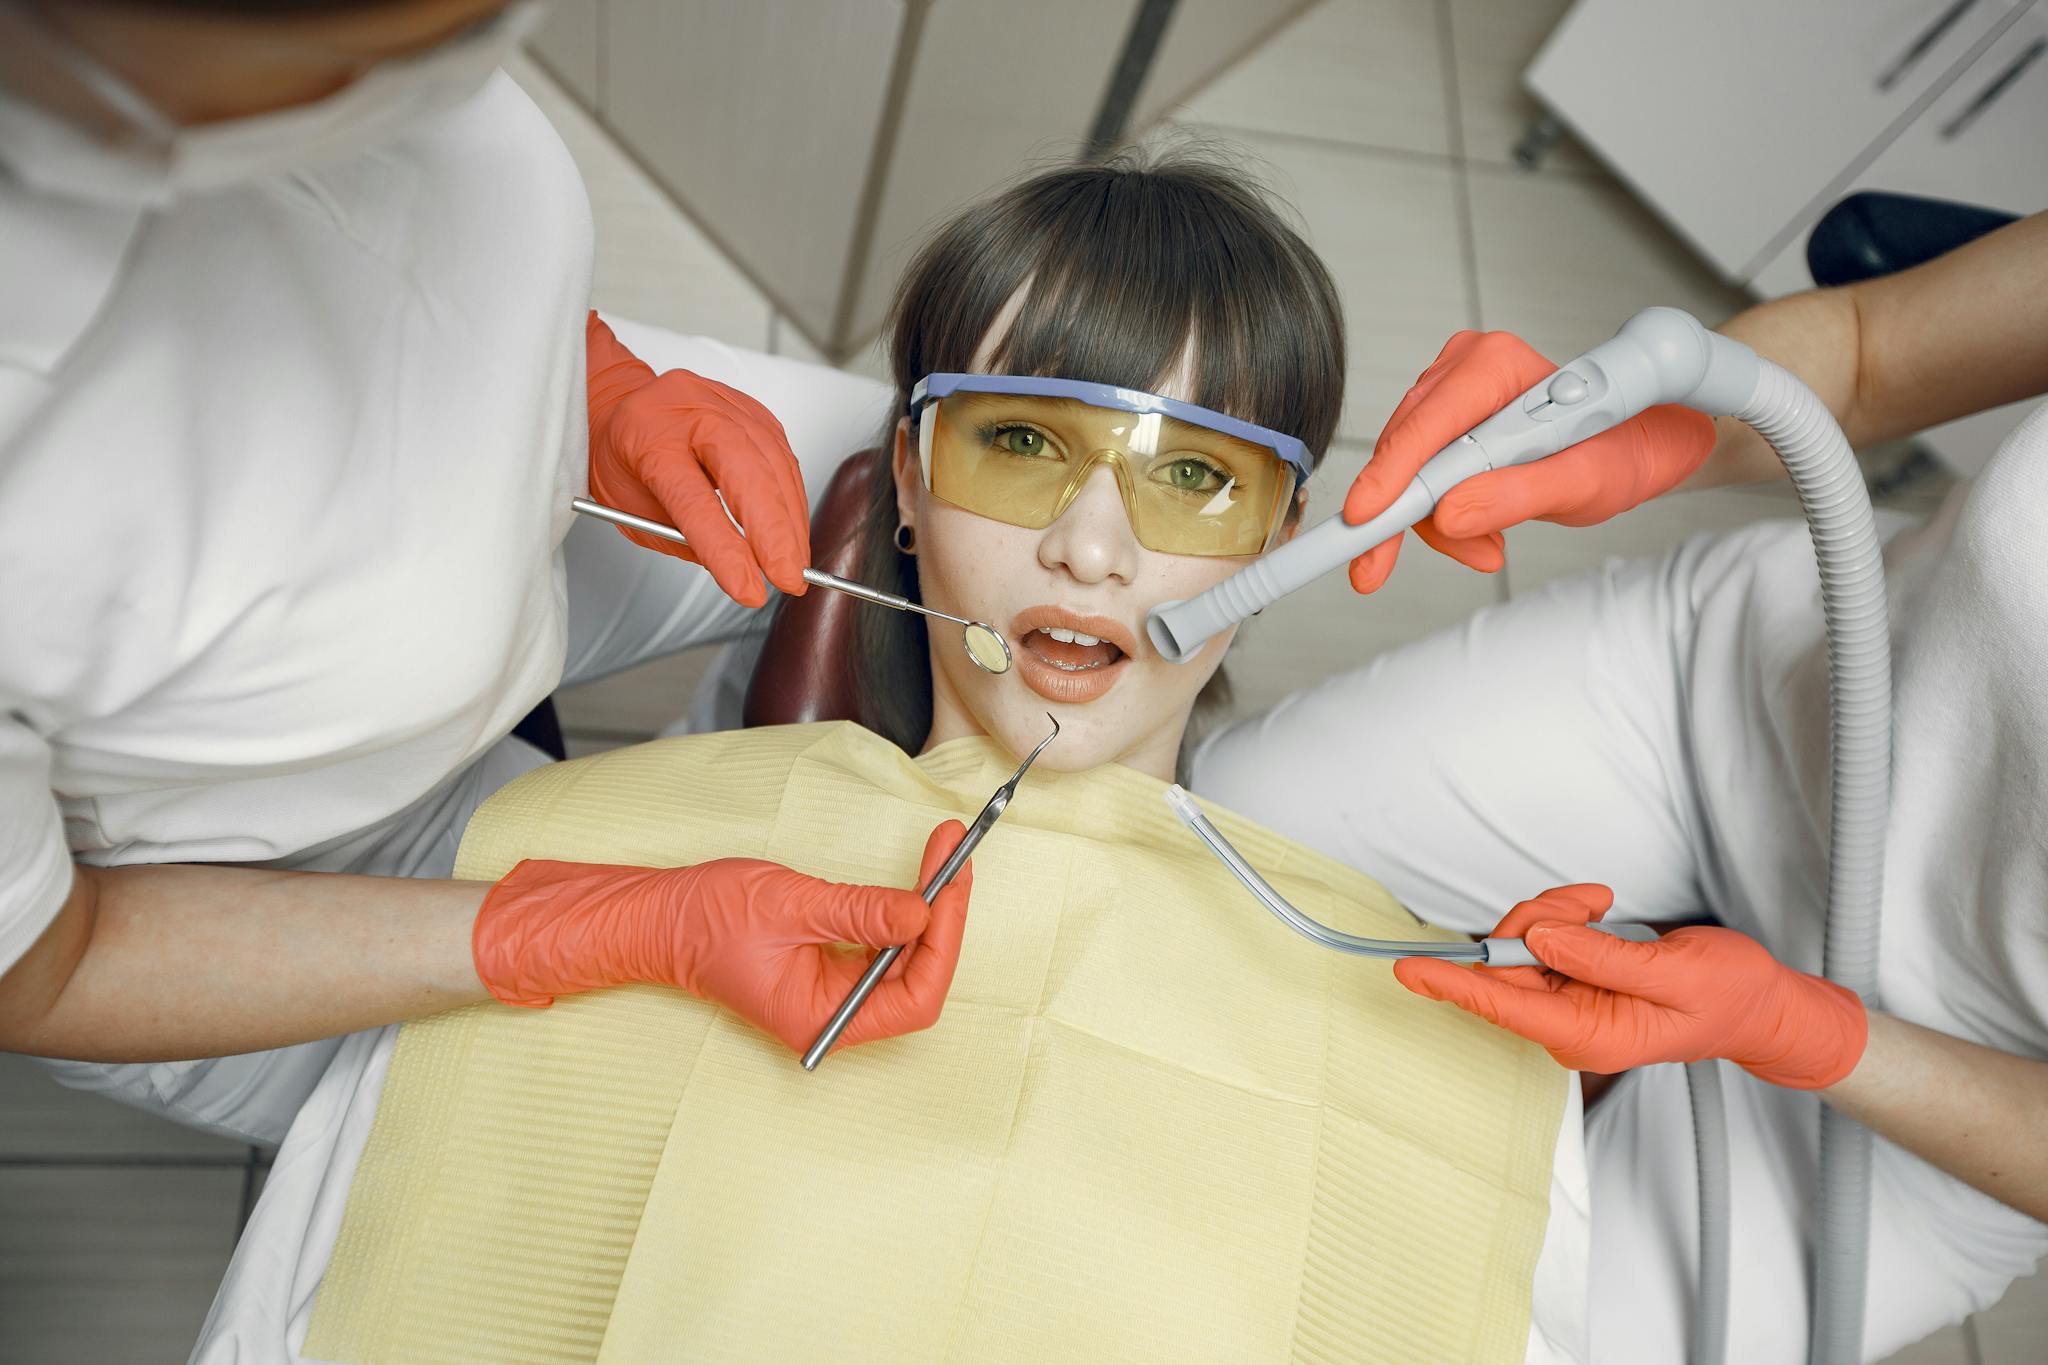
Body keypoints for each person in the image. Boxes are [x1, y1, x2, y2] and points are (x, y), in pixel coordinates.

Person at [192, 153, 1594, 1364]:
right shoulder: (573, 862)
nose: (1091, 549)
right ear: (907, 487)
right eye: (1024, 442)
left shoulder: (1443, 1054)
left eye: (1190, 473)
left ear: (1284, 543)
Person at [0, 0, 968, 1146]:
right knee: (620, 1102)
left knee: (907, 473)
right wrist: (587, 928)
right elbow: (47, 969)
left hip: (562, 507)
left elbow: (407, 221)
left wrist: (598, 385)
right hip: (277, 865)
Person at [1195, 209, 2048, 1359]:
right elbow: (1864, 346)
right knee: (1207, 856)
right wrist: (1653, 429)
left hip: (1929, 1092)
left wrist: (1801, 1032)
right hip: (1737, 696)